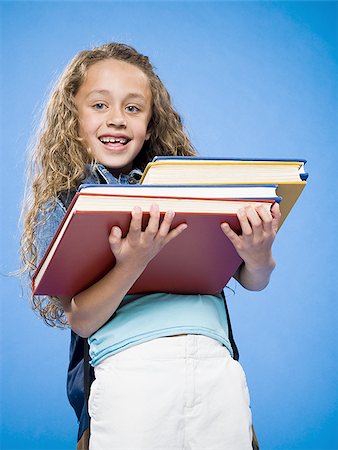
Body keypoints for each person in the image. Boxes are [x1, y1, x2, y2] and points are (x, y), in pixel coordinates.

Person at [21, 43, 281, 450]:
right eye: (100, 105)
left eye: (133, 108)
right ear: (73, 118)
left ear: (150, 120)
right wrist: (132, 263)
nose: (117, 120)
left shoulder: (185, 189)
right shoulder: (65, 205)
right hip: (132, 375)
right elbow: (82, 319)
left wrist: (258, 254)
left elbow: (254, 279)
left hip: (216, 369)